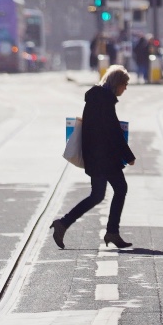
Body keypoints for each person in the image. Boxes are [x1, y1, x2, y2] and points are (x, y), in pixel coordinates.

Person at [52, 66, 135, 249]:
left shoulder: (97, 98)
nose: (126, 88)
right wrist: (128, 156)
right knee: (119, 189)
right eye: (125, 84)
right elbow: (113, 132)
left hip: (97, 155)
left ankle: (64, 223)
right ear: (117, 84)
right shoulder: (104, 101)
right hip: (104, 157)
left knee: (98, 195)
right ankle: (111, 232)